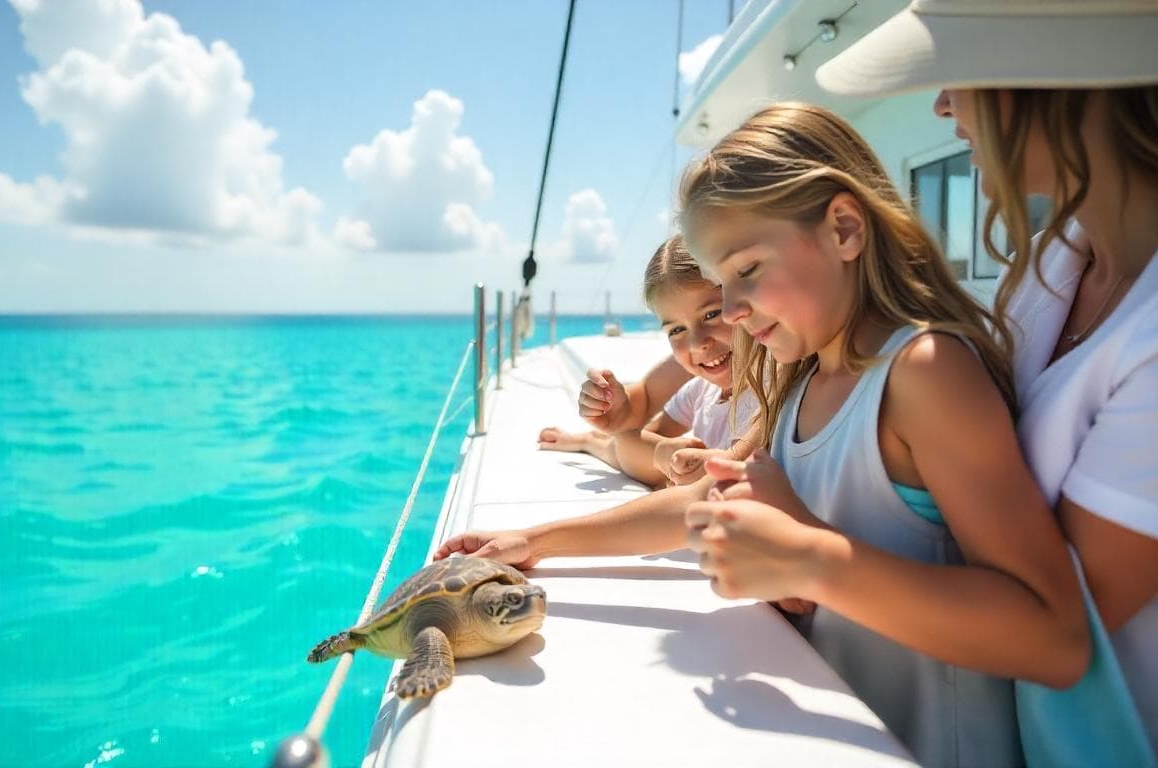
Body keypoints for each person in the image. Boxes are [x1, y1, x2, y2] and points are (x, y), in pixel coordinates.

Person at [438, 102, 1090, 767]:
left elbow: (1052, 638)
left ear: (843, 229)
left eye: (746, 271)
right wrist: (536, 542)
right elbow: (697, 502)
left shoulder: (924, 372)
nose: (732, 310)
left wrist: (809, 559)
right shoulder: (802, 378)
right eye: (721, 283)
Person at [805, 3, 1158, 765]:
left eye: (959, 72)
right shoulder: (1058, 259)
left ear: (1059, 79)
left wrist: (805, 554)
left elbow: (1051, 626)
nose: (941, 105)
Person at [538, 237, 757, 488]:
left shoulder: (774, 380)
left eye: (711, 314)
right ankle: (591, 441)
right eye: (676, 330)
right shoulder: (701, 387)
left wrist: (660, 454)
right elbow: (638, 424)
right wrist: (612, 409)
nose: (697, 343)